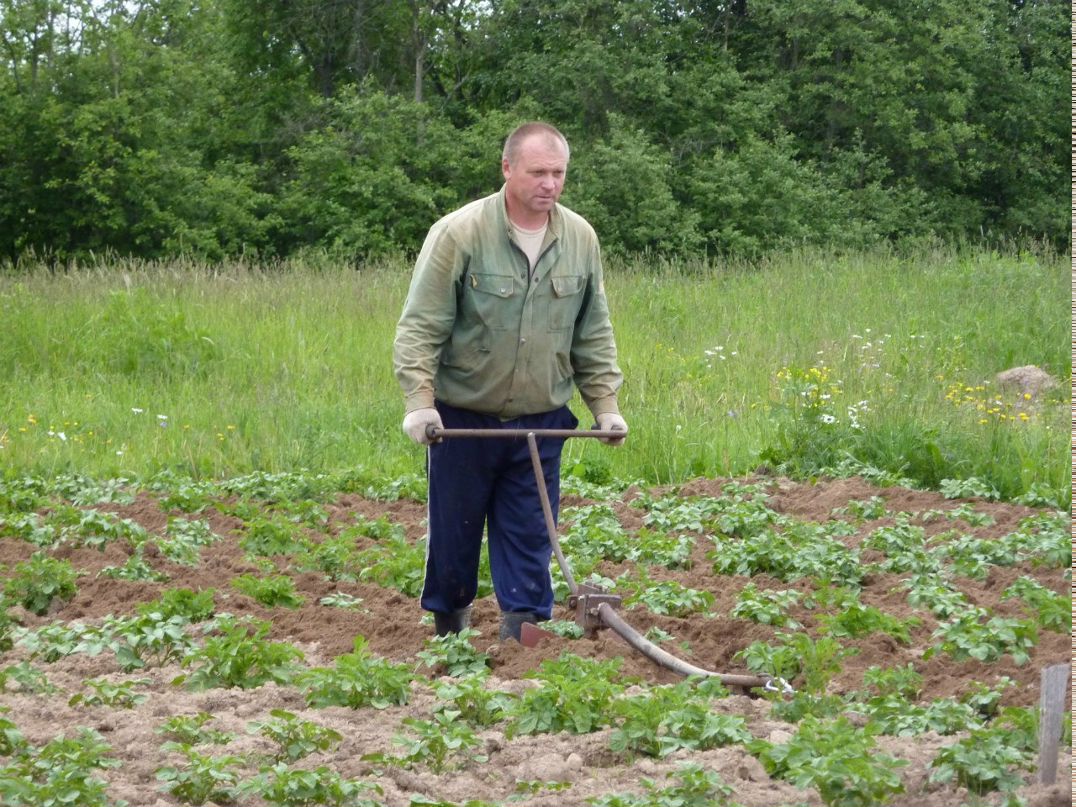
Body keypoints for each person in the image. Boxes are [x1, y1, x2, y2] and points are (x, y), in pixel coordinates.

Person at [392, 121, 627, 642]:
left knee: (531, 531)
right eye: (538, 171)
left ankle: (522, 634)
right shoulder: (460, 233)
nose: (550, 183)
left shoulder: (580, 239)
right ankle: (449, 629)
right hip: (463, 421)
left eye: (559, 173)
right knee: (455, 534)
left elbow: (593, 329)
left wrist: (605, 404)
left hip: (542, 419)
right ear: (507, 169)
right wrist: (420, 402)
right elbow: (421, 325)